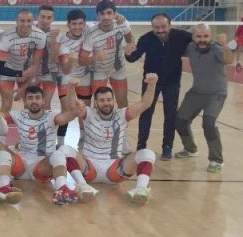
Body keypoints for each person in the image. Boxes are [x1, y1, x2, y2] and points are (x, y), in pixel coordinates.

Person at [71, 73, 161, 204]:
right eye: (102, 100)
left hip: (115, 171)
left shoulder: (122, 115)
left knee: (148, 153)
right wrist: (70, 89)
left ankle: (141, 189)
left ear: (113, 101)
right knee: (65, 150)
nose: (106, 103)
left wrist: (152, 85)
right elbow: (72, 106)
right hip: (89, 169)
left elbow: (145, 103)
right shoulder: (88, 113)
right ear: (95, 103)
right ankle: (82, 186)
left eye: (109, 100)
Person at [5, 82, 91, 205]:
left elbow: (67, 116)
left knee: (58, 154)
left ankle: (61, 190)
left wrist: (75, 105)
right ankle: (1, 185)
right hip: (21, 167)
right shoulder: (17, 115)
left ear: (43, 101)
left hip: (41, 168)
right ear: (25, 101)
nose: (34, 101)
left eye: (37, 98)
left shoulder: (51, 116)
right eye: (30, 98)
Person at [124, 13, 193, 160]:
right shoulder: (146, 39)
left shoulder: (181, 36)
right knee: (146, 113)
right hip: (150, 82)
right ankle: (141, 146)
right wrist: (128, 54)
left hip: (172, 82)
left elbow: (199, 40)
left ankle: (167, 147)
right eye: (156, 27)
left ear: (170, 25)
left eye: (163, 27)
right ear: (152, 27)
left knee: (170, 114)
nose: (160, 30)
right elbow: (133, 57)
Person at [174, 23, 232, 172]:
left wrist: (225, 45)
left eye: (206, 36)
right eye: (199, 36)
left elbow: (228, 60)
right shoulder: (190, 48)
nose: (202, 39)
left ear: (210, 36)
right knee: (180, 121)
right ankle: (190, 149)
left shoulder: (217, 48)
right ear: (193, 37)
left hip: (216, 93)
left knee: (208, 123)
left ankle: (216, 160)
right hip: (197, 92)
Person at [79, 0, 134, 108]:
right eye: (102, 13)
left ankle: (121, 120)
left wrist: (130, 46)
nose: (106, 17)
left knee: (123, 102)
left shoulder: (122, 23)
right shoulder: (90, 33)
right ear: (97, 15)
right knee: (99, 104)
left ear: (115, 14)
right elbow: (81, 61)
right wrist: (94, 58)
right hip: (99, 71)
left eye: (109, 13)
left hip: (118, 69)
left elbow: (130, 40)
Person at [0, 9, 46, 114]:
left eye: (29, 21)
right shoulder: (6, 37)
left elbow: (35, 65)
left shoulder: (40, 36)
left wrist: (23, 89)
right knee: (7, 102)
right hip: (8, 69)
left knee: (30, 102)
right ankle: (2, 125)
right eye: (22, 21)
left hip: (27, 69)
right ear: (16, 21)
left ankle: (29, 124)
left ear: (33, 21)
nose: (26, 24)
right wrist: (20, 74)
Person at [55, 9, 92, 147]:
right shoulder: (62, 42)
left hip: (84, 75)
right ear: (68, 24)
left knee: (85, 109)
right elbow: (66, 69)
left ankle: (83, 137)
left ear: (85, 24)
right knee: (67, 110)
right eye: (74, 24)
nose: (77, 27)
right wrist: (71, 60)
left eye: (80, 24)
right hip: (66, 76)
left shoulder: (89, 31)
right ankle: (60, 142)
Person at [33, 4, 61, 108]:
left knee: (46, 105)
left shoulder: (57, 35)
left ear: (53, 19)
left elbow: (54, 59)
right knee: (32, 104)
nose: (45, 20)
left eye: (49, 18)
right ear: (37, 17)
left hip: (50, 73)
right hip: (33, 73)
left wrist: (53, 40)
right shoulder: (29, 31)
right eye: (43, 17)